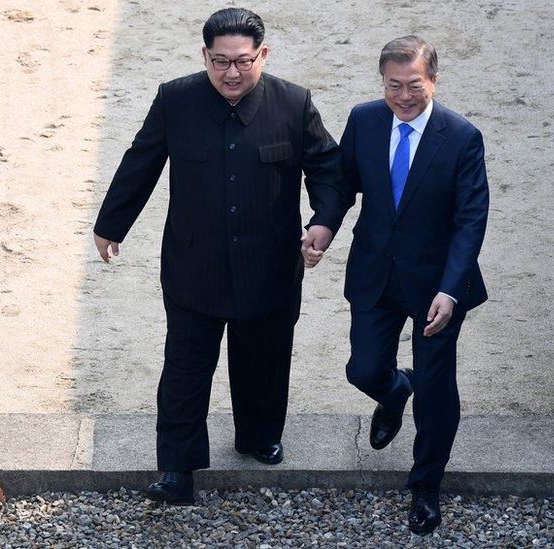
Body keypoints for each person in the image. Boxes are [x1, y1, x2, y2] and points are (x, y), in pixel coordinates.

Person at [93, 7, 341, 506]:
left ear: (262, 56)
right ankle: (177, 470)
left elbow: (329, 170)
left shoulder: (295, 104)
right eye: (221, 61)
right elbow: (141, 161)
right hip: (193, 264)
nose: (232, 73)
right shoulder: (175, 99)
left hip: (270, 264)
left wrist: (323, 222)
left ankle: (258, 436)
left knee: (264, 360)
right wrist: (111, 224)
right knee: (185, 368)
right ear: (205, 56)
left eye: (243, 62)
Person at [303, 35, 489, 535]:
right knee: (363, 369)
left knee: (435, 386)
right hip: (376, 272)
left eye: (414, 86)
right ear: (382, 81)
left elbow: (471, 221)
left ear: (433, 80)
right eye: (393, 86)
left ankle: (426, 484)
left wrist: (451, 290)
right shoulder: (364, 119)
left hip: (437, 287)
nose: (403, 97)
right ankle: (393, 389)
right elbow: (343, 184)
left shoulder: (462, 137)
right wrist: (323, 223)